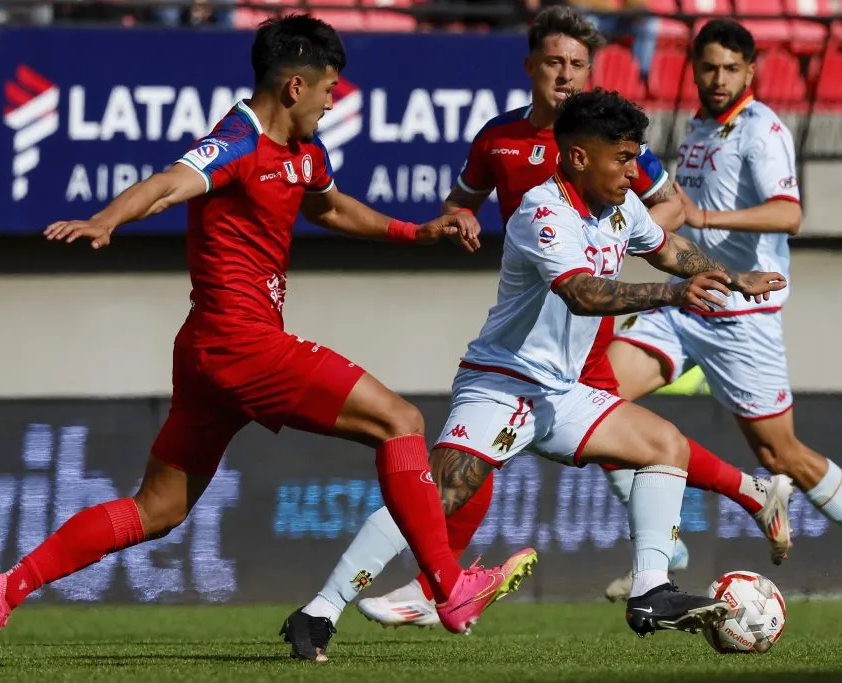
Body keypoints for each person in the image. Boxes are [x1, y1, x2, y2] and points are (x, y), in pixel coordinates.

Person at [0, 14, 537, 670]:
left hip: (207, 352)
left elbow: (332, 207)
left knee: (159, 507)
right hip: (242, 343)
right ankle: (450, 589)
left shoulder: (303, 155)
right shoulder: (238, 140)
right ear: (294, 86)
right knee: (400, 420)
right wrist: (106, 219)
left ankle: (6, 586)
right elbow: (171, 182)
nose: (331, 101)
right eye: (328, 89)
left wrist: (415, 232)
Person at [281, 7, 792, 650]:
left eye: (636, 159)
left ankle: (650, 593)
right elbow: (582, 294)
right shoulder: (541, 213)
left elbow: (665, 246)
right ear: (578, 157)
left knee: (665, 446)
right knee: (431, 497)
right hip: (503, 383)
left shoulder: (618, 202)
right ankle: (320, 610)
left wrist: (725, 274)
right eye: (622, 160)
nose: (634, 173)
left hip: (561, 389)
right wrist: (675, 292)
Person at [606, 18, 842, 621]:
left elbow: (789, 213)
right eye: (708, 67)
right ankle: (665, 545)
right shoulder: (699, 126)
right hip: (688, 298)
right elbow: (681, 204)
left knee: (783, 458)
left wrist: (703, 217)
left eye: (730, 68)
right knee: (596, 401)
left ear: (750, 71)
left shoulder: (763, 130)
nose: (718, 78)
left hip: (743, 318)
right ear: (694, 68)